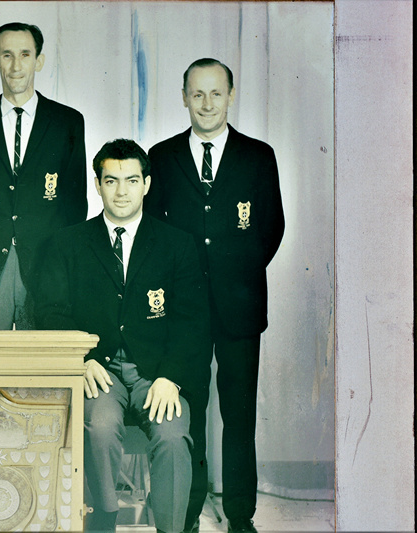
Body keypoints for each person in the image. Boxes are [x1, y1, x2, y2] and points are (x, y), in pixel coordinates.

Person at [36, 139, 211, 533]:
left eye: (131, 180)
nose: (121, 191)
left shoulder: (176, 244)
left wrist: (171, 377)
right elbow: (49, 312)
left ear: (146, 184)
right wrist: (81, 360)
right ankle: (102, 524)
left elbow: (193, 322)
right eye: (111, 180)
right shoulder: (67, 243)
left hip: (157, 373)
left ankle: (171, 529)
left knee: (172, 435)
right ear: (97, 184)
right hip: (99, 372)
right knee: (99, 427)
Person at [145, 58, 285, 533]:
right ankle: (187, 511)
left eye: (216, 93)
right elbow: (154, 233)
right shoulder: (162, 157)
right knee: (188, 413)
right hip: (182, 311)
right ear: (184, 97)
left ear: (231, 96)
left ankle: (240, 515)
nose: (207, 104)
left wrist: (235, 276)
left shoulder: (258, 156)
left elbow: (270, 228)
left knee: (239, 414)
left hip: (239, 308)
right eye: (197, 94)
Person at [0, 22, 87, 329]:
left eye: (25, 54)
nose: (16, 66)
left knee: (42, 352)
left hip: (46, 261)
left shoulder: (67, 122)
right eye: (7, 55)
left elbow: (76, 201)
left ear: (39, 60)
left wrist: (62, 258)